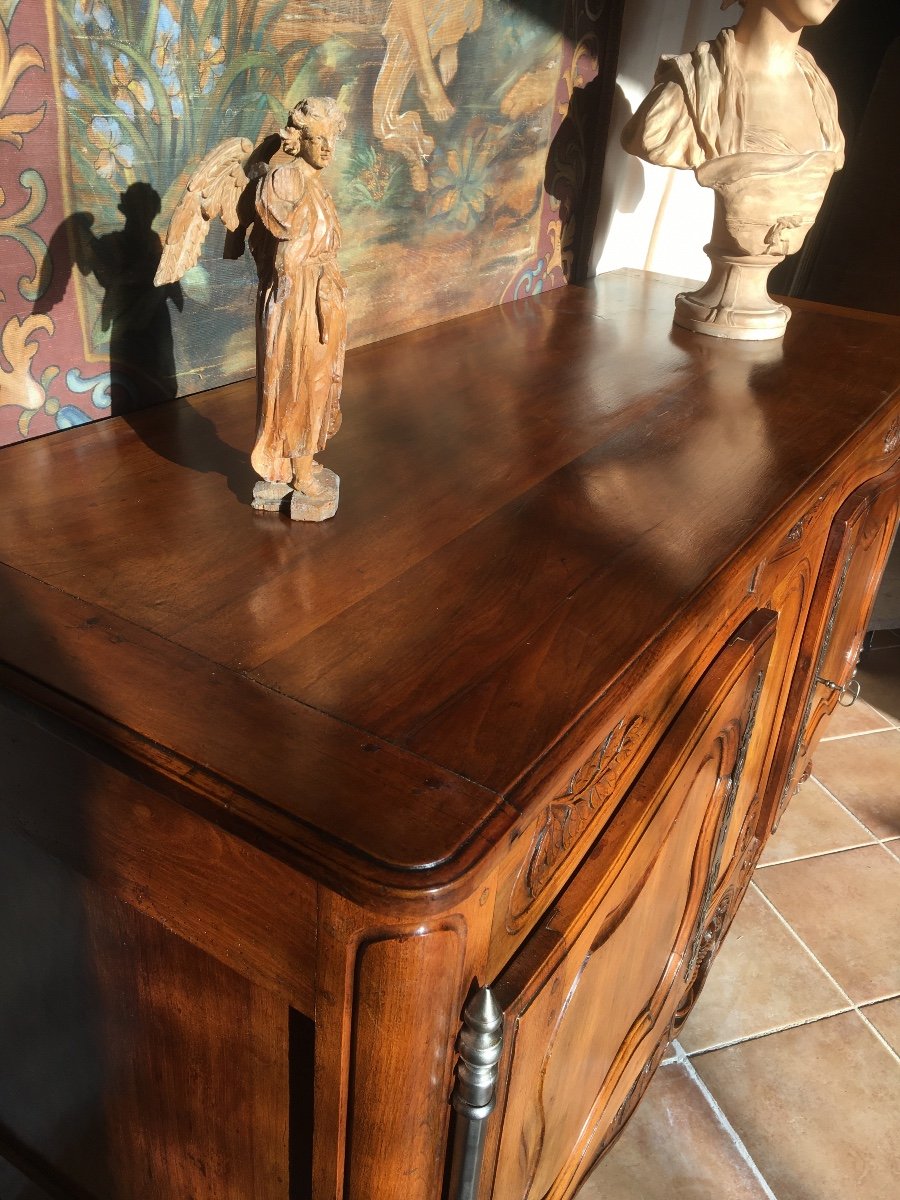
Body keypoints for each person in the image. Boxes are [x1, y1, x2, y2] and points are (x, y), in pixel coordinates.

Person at [249, 98, 347, 512]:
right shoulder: (285, 180)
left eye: (333, 139)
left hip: (320, 295)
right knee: (298, 383)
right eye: (318, 138)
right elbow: (283, 231)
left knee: (319, 382)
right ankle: (298, 472)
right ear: (300, 139)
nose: (328, 147)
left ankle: (301, 461)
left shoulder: (315, 184)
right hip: (297, 301)